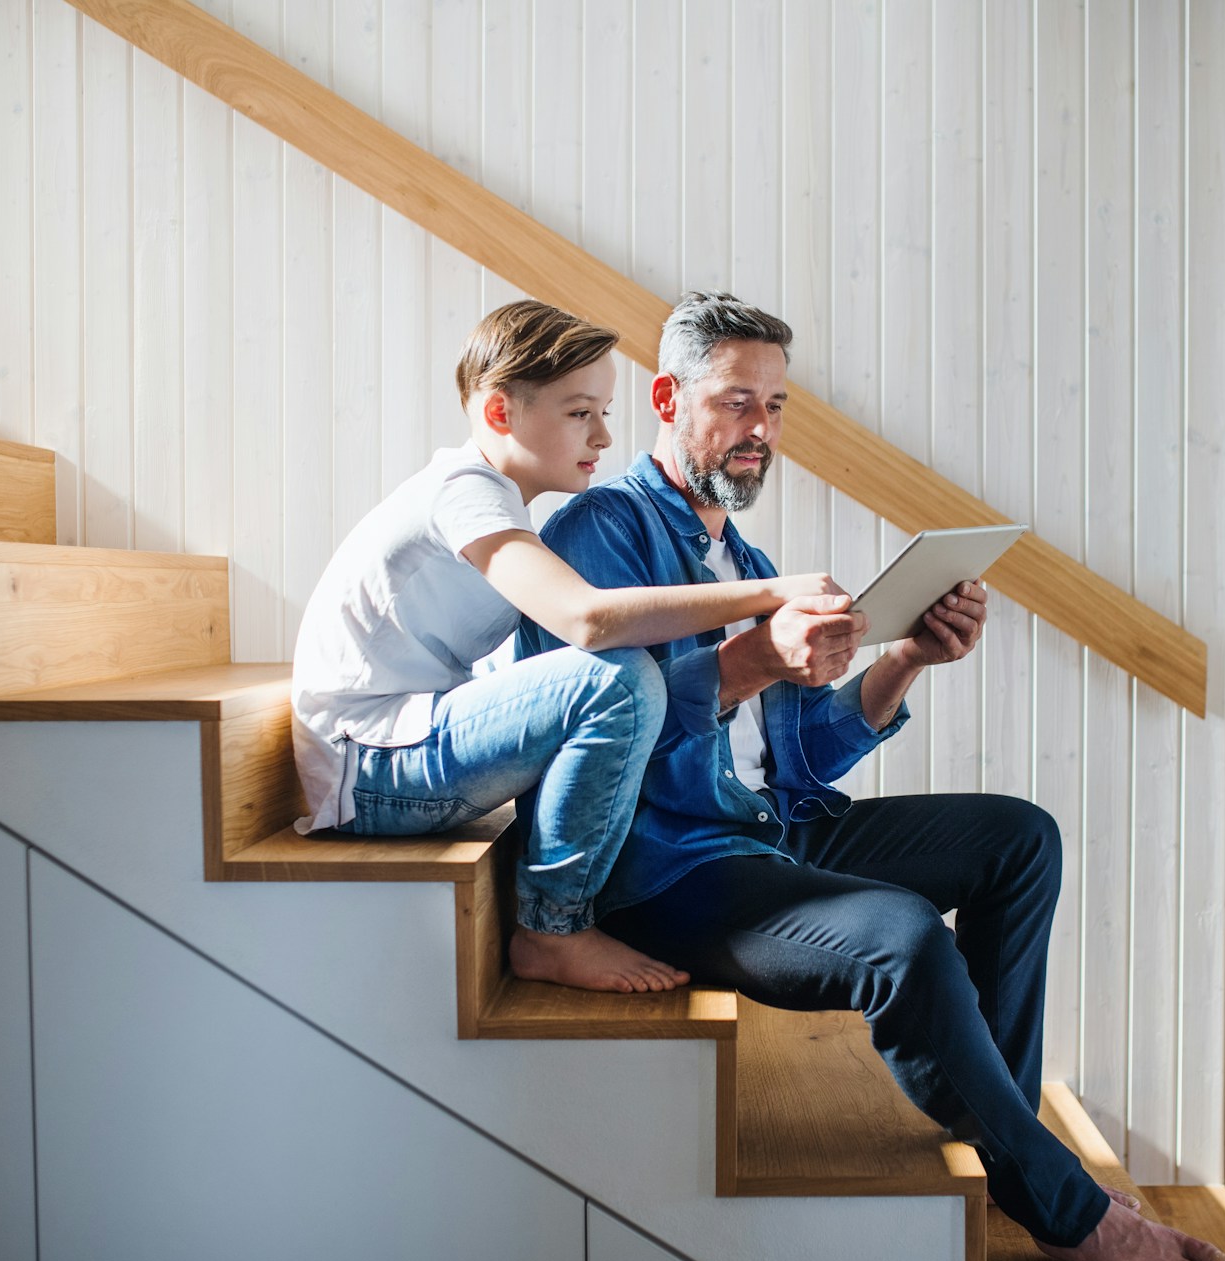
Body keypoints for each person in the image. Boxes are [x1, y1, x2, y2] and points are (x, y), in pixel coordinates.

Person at [518, 290, 1225, 1261]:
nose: (760, 428)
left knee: (1019, 839)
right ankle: (1063, 1203)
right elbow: (593, 729)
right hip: (674, 866)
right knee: (900, 937)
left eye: (775, 405)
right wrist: (758, 656)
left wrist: (904, 658)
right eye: (734, 402)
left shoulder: (747, 560)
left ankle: (1003, 1127)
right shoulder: (603, 528)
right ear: (668, 397)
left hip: (780, 830)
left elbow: (798, 763)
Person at [291, 299, 841, 996]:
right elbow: (588, 619)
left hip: (394, 751)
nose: (605, 436)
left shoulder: (499, 505)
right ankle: (553, 927)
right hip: (370, 770)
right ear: (499, 414)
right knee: (617, 678)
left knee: (611, 680)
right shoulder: (465, 490)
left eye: (605, 411)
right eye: (581, 412)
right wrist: (771, 594)